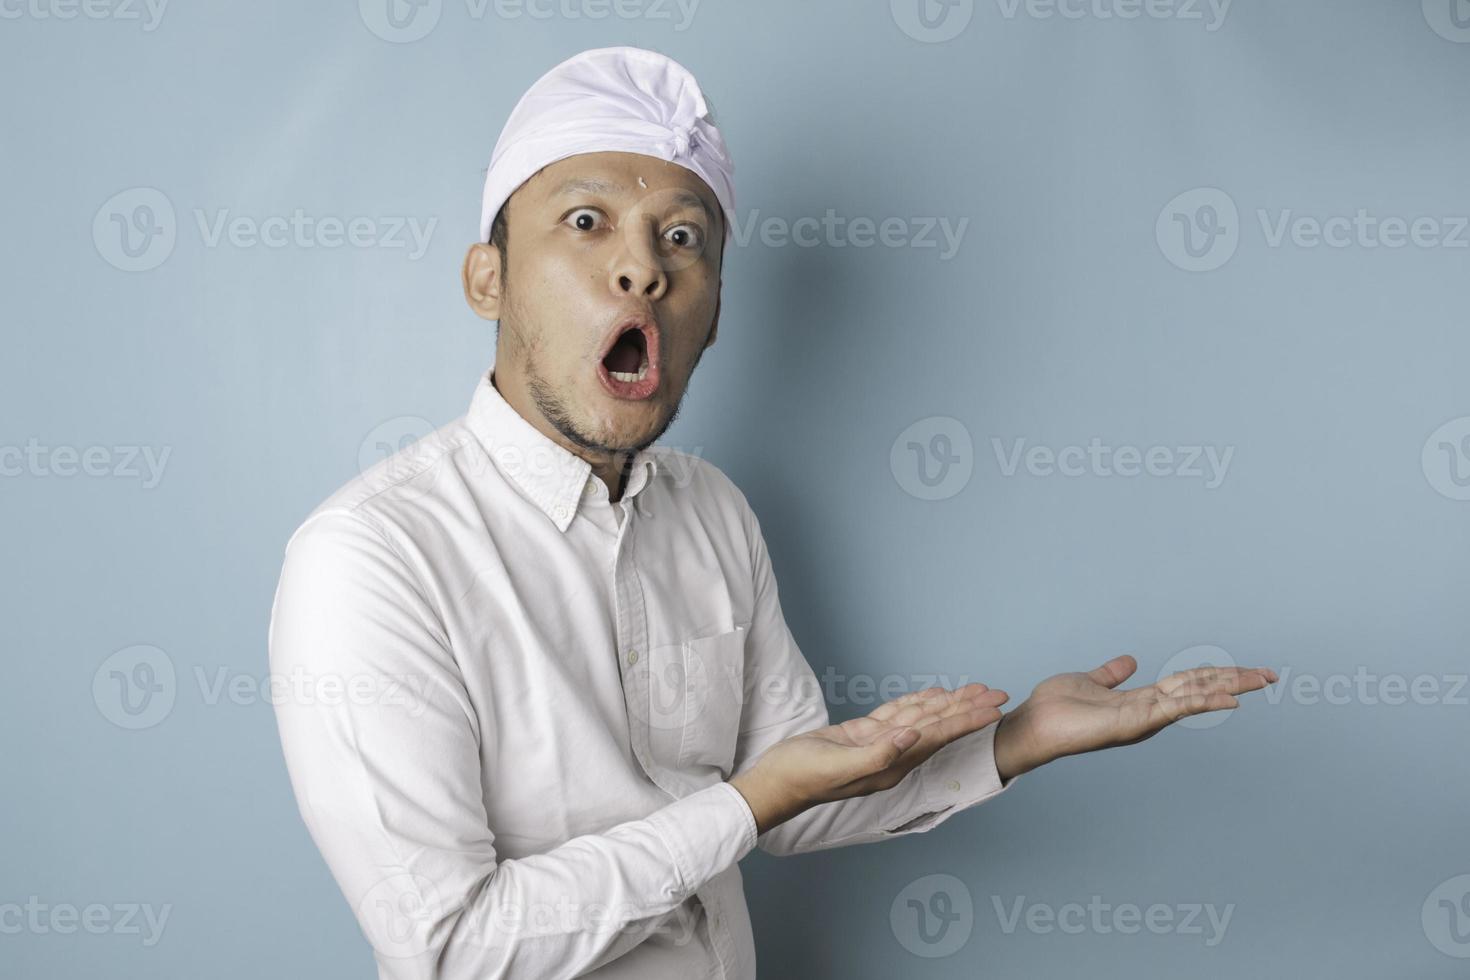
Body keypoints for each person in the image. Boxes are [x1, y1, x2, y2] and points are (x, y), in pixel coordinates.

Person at [267, 45, 1277, 980]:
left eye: (682, 237)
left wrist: (1017, 738)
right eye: (586, 222)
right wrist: (743, 805)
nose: (643, 267)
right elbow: (447, 946)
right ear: (488, 279)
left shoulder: (712, 512)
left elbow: (790, 798)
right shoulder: (369, 559)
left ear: (714, 313)